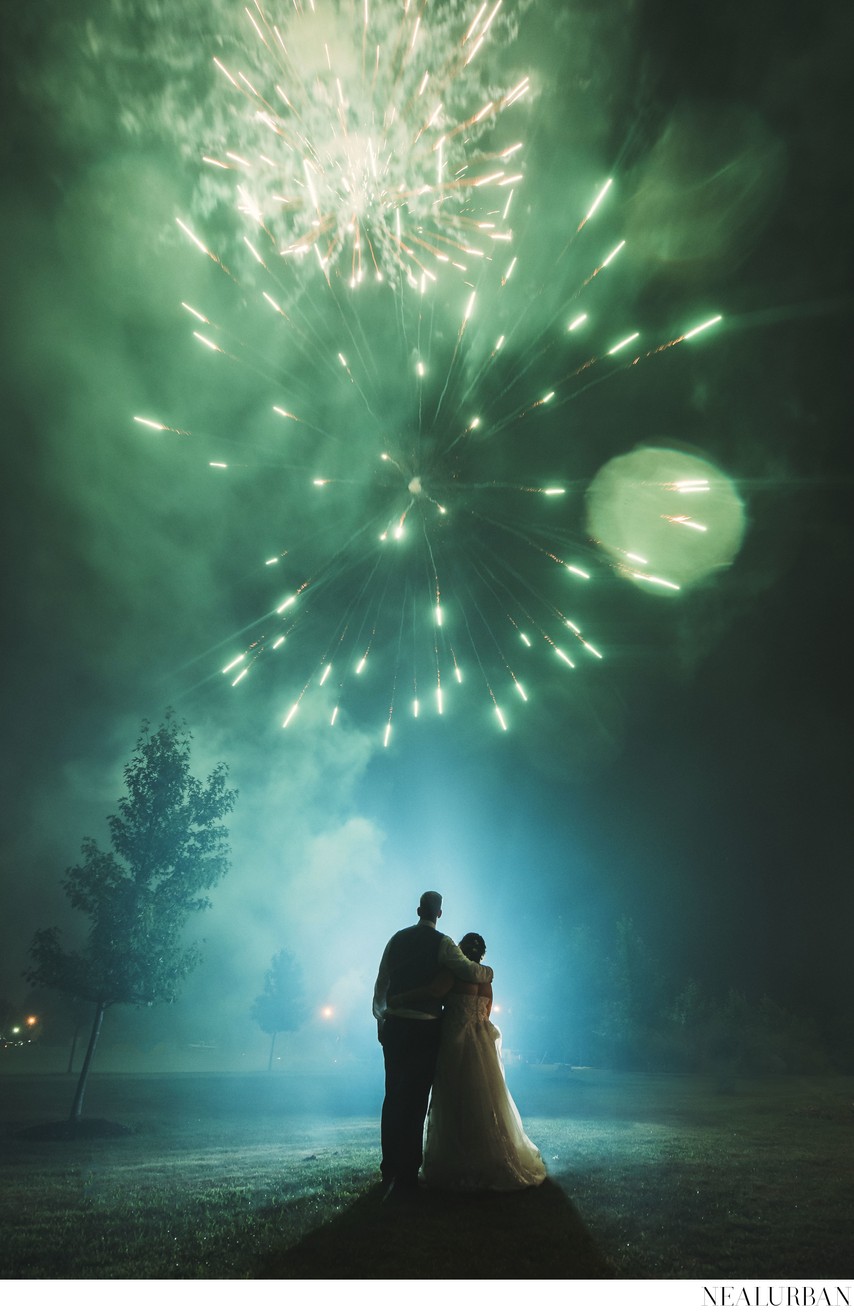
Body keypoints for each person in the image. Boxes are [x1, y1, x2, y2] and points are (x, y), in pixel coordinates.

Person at [389, 931, 546, 1192]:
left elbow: (434, 991)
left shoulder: (453, 973)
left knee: (454, 1100)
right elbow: (485, 1012)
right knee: (485, 1100)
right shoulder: (485, 978)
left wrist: (400, 998)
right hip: (481, 1043)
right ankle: (489, 1158)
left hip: (455, 1042)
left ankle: (457, 1161)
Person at [372, 891, 494, 1199]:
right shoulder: (443, 944)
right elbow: (470, 971)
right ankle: (408, 1171)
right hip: (425, 1027)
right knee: (416, 1099)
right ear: (439, 914)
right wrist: (488, 972)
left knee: (393, 1095)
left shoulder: (396, 939)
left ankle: (389, 1167)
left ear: (417, 910)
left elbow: (381, 982)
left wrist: (381, 1018)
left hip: (396, 1024)